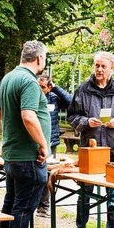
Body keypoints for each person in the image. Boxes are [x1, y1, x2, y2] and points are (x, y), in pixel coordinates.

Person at [66, 51, 114, 228]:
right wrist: (87, 122)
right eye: (97, 65)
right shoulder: (83, 90)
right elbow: (71, 116)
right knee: (85, 193)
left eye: (103, 66)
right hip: (91, 149)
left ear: (112, 68)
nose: (99, 69)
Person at [0, 40, 51, 228]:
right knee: (24, 206)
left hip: (12, 153)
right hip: (28, 156)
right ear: (39, 59)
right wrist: (42, 144)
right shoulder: (29, 81)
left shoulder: (8, 78)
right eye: (44, 59)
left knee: (12, 203)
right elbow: (28, 116)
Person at [36, 74, 73, 218]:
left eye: (43, 87)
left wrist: (56, 88)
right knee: (35, 175)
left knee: (47, 174)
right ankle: (35, 204)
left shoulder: (53, 97)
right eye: (38, 86)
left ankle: (43, 208)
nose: (40, 89)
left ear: (49, 87)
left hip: (50, 142)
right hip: (34, 140)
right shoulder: (32, 96)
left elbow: (71, 101)